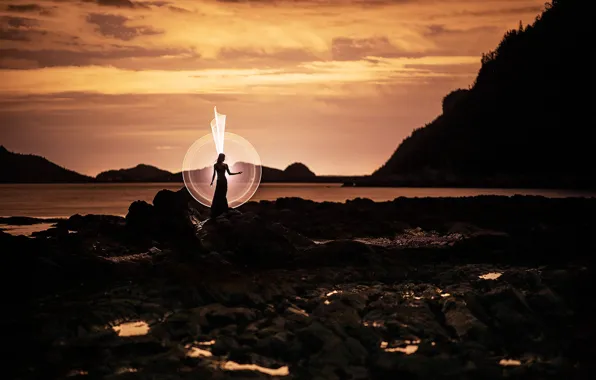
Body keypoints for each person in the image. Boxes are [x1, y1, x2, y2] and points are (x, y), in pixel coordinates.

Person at [210, 153, 242, 218]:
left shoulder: (225, 165)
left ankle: (224, 208)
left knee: (223, 195)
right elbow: (214, 174)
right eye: (223, 157)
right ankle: (217, 209)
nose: (224, 159)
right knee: (218, 194)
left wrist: (237, 173)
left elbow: (229, 173)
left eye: (224, 157)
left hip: (224, 181)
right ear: (220, 158)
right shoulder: (215, 165)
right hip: (219, 182)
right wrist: (212, 181)